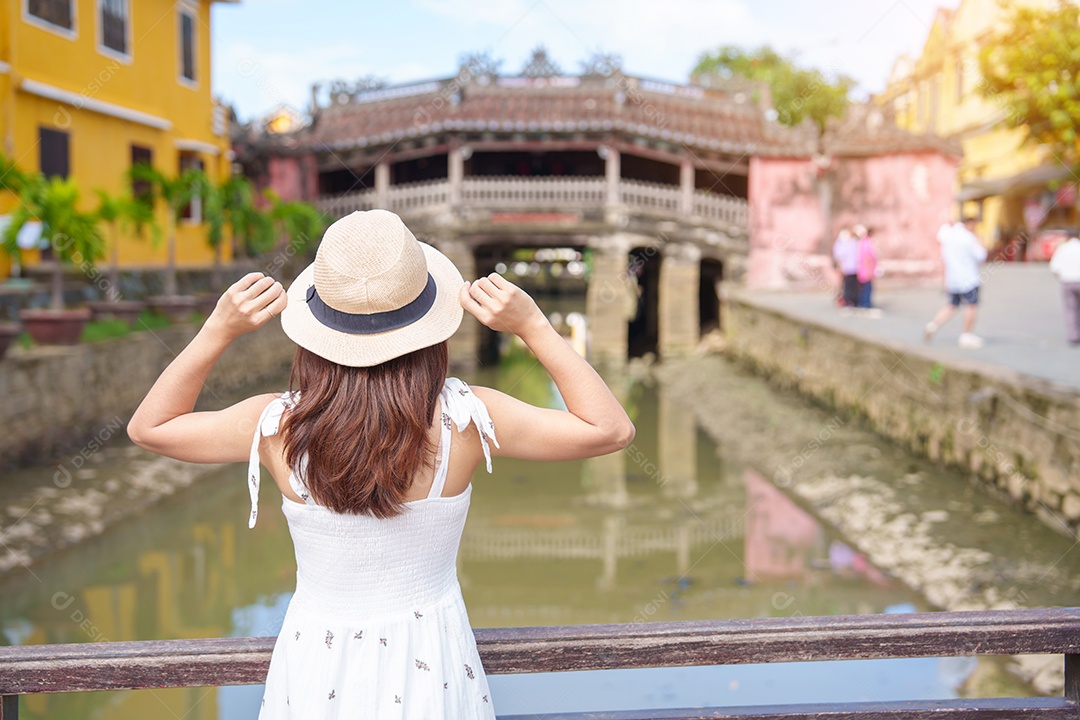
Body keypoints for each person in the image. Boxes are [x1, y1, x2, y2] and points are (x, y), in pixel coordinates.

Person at [126, 209, 635, 719]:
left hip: (313, 664)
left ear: (315, 332)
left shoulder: (276, 426)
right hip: (431, 663)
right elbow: (609, 430)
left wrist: (218, 329)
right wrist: (533, 325)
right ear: (430, 326)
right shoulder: (465, 420)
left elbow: (151, 428)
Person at [924, 216, 988, 348]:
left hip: (953, 279)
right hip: (968, 278)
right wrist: (979, 240)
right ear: (969, 224)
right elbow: (981, 255)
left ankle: (933, 325)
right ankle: (966, 335)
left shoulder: (948, 237)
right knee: (971, 305)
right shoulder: (967, 238)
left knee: (952, 305)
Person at [1050, 235, 1080, 345]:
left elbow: (1054, 267)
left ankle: (1074, 335)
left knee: (1070, 309)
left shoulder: (1063, 248)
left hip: (1067, 281)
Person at [854, 225, 881, 316]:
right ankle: (865, 304)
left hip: (863, 268)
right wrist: (870, 270)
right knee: (867, 288)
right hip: (866, 269)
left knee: (864, 288)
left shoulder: (862, 242)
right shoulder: (867, 243)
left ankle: (863, 304)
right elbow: (868, 257)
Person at [832, 227, 859, 308]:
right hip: (846, 268)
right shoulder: (841, 243)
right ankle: (846, 301)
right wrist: (840, 267)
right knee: (846, 286)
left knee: (852, 286)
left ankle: (852, 301)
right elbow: (839, 256)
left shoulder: (854, 242)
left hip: (854, 269)